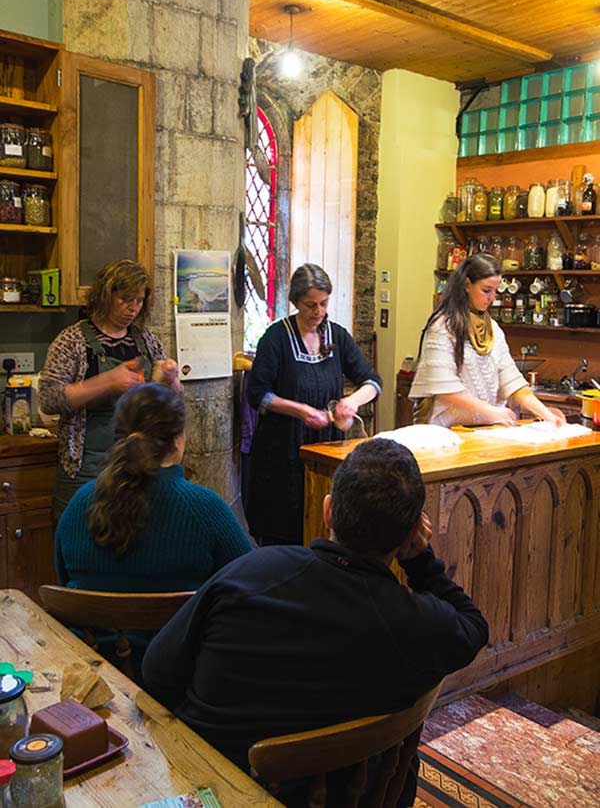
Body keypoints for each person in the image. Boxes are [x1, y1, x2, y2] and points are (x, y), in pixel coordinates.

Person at [142, 438, 488, 807]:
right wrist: (421, 562)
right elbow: (474, 627)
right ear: (410, 537)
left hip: (207, 790)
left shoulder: (252, 570)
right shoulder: (415, 623)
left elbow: (156, 672)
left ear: (328, 510)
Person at [55, 383, 252, 661]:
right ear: (178, 439)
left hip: (96, 674)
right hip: (181, 678)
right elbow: (250, 586)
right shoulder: (205, 509)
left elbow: (63, 581)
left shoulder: (80, 503)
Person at [246, 263, 381, 545]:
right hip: (282, 453)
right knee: (284, 534)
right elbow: (257, 393)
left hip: (327, 450)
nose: (318, 312)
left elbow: (372, 382)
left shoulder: (338, 337)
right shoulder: (276, 338)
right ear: (295, 302)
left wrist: (351, 402)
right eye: (310, 305)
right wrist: (300, 410)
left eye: (323, 304)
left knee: (324, 528)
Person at [39, 259, 181, 518]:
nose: (133, 308)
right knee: (82, 541)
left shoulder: (146, 340)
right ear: (106, 295)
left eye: (139, 300)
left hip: (139, 465)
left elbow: (172, 400)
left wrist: (170, 380)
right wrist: (107, 382)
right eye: (125, 299)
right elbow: (49, 398)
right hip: (85, 468)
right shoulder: (72, 341)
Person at [410, 254, 566, 428]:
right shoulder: (443, 326)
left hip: (485, 429)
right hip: (446, 431)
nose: (492, 298)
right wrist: (490, 411)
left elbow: (512, 382)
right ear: (467, 285)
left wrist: (547, 415)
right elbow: (445, 388)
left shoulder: (493, 329)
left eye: (495, 291)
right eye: (486, 290)